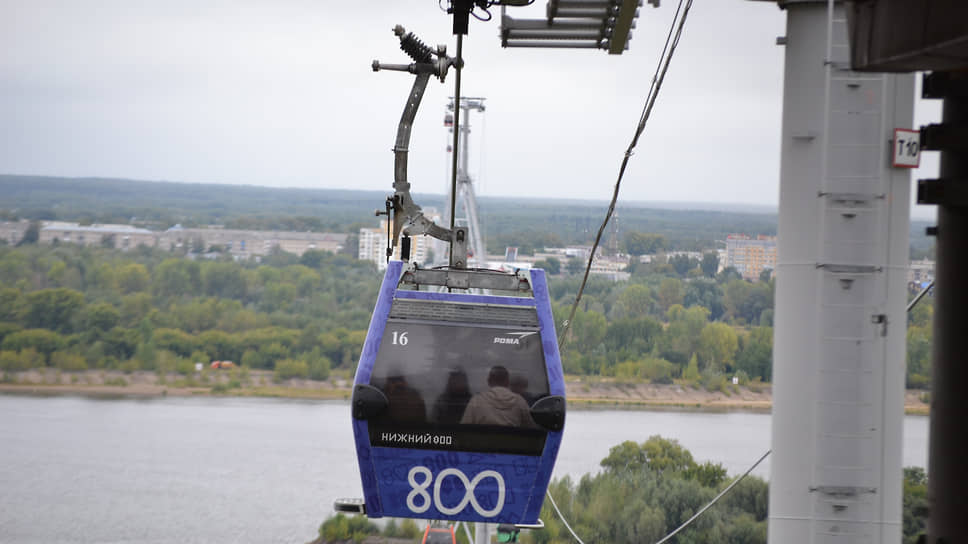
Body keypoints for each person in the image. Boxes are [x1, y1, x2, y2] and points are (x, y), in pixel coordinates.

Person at [460, 366, 535, 428]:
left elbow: (465, 427)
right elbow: (531, 427)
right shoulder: (519, 401)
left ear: (488, 381)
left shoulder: (476, 400)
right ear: (507, 382)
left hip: (482, 444)